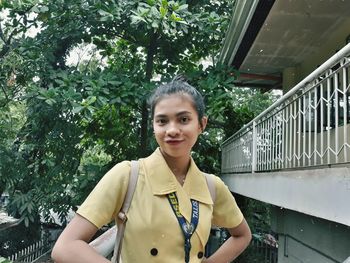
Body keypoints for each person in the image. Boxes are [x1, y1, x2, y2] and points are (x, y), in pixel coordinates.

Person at [51, 77, 251, 263]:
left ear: (201, 124)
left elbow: (242, 235)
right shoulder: (128, 175)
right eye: (162, 121)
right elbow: (65, 247)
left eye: (183, 119)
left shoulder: (211, 186)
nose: (172, 130)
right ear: (154, 126)